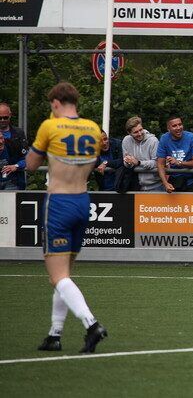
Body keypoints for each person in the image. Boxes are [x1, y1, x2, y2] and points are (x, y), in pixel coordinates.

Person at [24, 82, 107, 353]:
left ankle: (91, 324)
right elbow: (92, 162)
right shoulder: (93, 128)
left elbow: (31, 165)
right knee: (65, 274)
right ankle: (55, 334)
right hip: (83, 201)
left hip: (59, 202)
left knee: (57, 276)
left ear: (56, 103)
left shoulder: (50, 126)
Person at [156, 115, 193, 193]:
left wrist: (178, 162)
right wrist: (165, 183)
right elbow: (160, 164)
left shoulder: (192, 138)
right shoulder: (164, 138)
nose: (178, 128)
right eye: (174, 126)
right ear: (168, 129)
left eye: (180, 124)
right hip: (174, 179)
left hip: (192, 179)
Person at [122, 116, 163, 192]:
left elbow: (157, 163)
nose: (140, 133)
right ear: (129, 133)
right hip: (136, 185)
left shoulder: (153, 141)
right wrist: (128, 162)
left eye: (141, 130)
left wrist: (139, 163)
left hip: (155, 185)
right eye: (136, 132)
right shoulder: (126, 140)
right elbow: (126, 164)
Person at [0, 102, 28, 189]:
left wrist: (16, 166)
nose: (2, 120)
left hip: (13, 181)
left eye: (5, 117)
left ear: (10, 115)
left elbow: (27, 158)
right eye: (0, 118)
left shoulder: (18, 134)